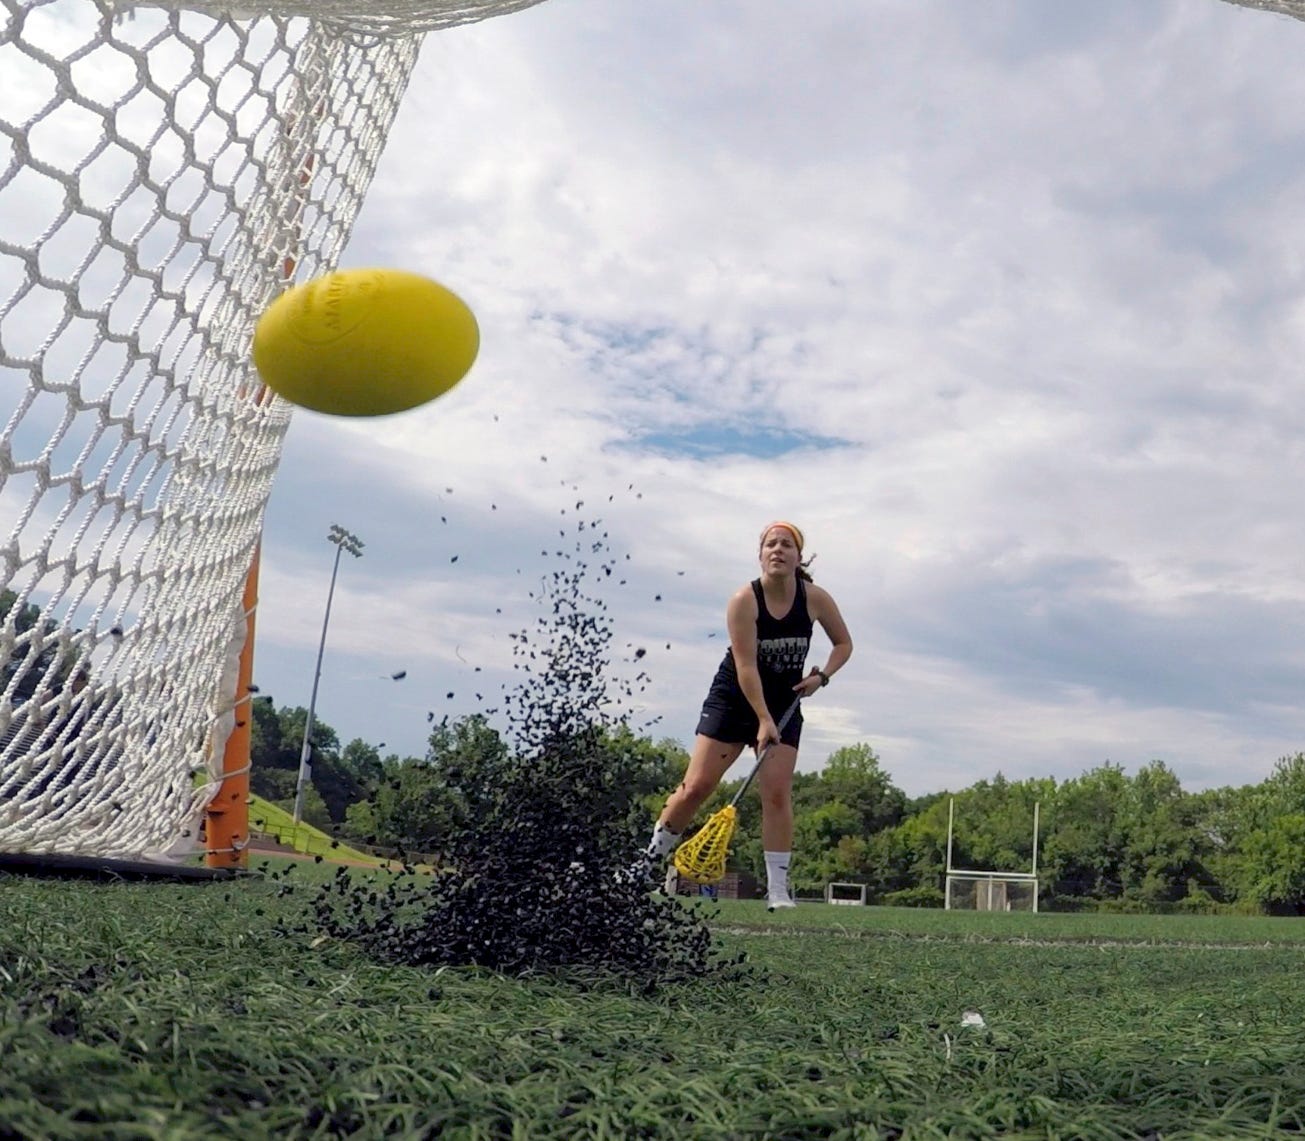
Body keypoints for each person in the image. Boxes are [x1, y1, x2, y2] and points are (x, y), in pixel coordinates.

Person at [640, 521, 853, 910]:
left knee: (775, 793)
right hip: (735, 697)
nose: (778, 550)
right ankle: (645, 867)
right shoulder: (744, 600)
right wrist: (762, 719)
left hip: (784, 702)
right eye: (770, 544)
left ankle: (777, 891)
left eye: (786, 545)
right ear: (760, 555)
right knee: (695, 787)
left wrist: (821, 676)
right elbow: (746, 667)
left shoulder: (815, 598)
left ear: (797, 556)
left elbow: (843, 644)